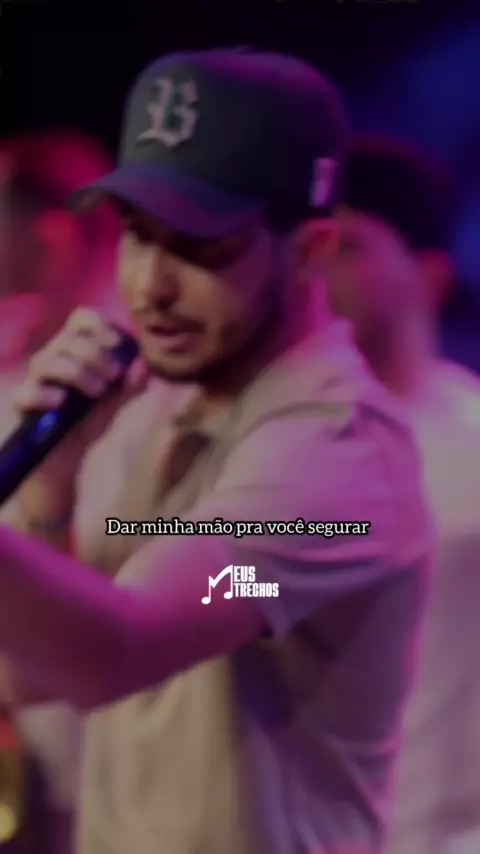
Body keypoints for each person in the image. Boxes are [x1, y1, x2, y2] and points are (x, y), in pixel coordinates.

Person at [0, 50, 432, 854]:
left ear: (310, 250)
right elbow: (28, 675)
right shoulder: (155, 404)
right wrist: (49, 493)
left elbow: (115, 652)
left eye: (200, 249)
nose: (150, 286)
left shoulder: (337, 453)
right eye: (137, 236)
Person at [327, 134, 480, 854]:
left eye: (350, 247)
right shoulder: (277, 445)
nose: (319, 271)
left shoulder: (469, 440)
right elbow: (226, 591)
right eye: (311, 247)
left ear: (430, 274)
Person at [0, 129, 122, 853]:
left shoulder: (138, 389)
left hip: (91, 776)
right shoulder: (11, 351)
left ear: (53, 237)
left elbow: (215, 585)